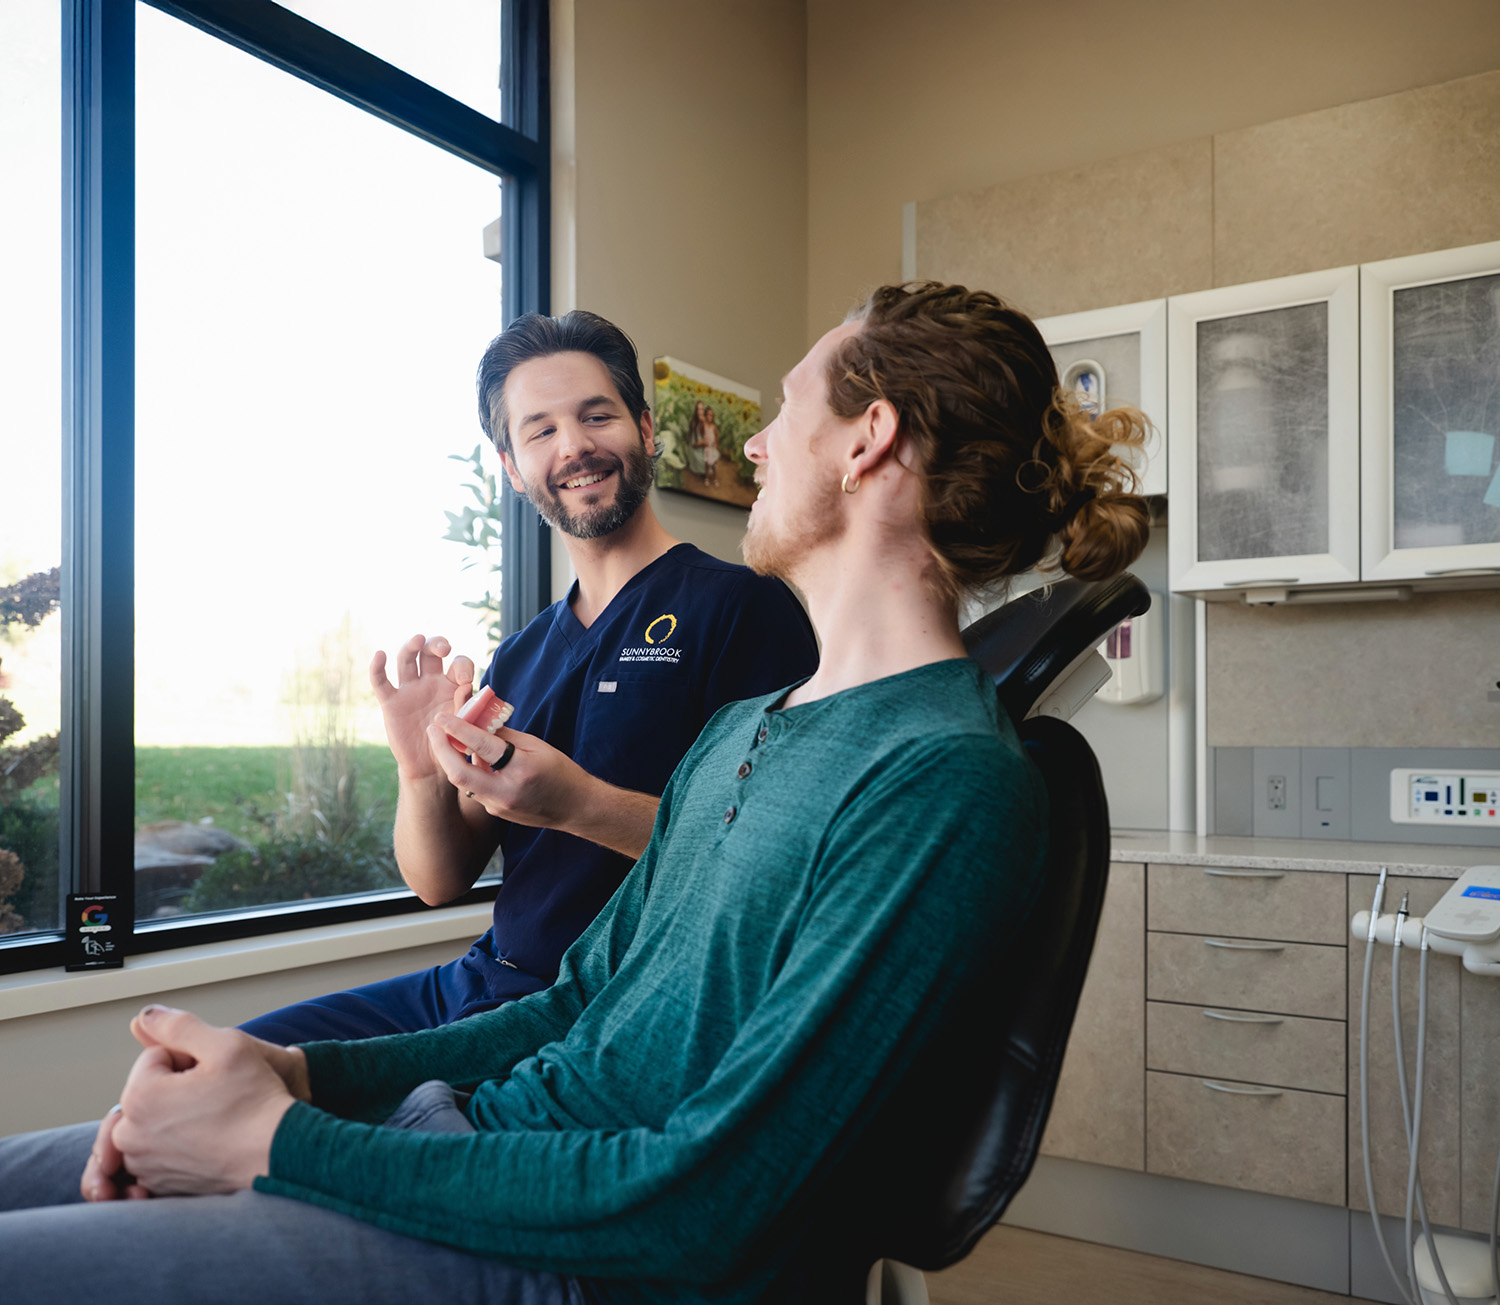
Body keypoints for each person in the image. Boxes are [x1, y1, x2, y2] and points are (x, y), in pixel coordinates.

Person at [0, 282, 1150, 1305]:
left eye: (785, 412)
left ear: (868, 440)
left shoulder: (942, 779)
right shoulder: (748, 733)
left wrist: (278, 1145)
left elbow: (719, 1199)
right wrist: (295, 1079)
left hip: (581, 1249)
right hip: (474, 1140)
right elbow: (569, 1011)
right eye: (535, 429)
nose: (750, 450)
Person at [239, 309, 818, 1045]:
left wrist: (579, 804)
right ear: (512, 468)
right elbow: (440, 879)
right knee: (225, 1061)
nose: (574, 446)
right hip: (481, 979)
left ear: (645, 430)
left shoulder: (740, 607)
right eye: (540, 430)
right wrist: (419, 773)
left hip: (604, 1010)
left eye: (596, 416)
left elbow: (775, 859)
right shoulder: (520, 654)